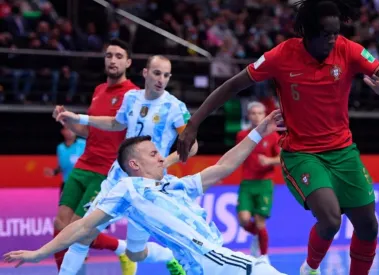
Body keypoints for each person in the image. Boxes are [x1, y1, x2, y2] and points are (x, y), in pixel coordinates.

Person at [176, 1, 379, 274]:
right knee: (331, 221)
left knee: (369, 227)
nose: (332, 39)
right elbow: (232, 85)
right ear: (306, 32)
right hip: (302, 154)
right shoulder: (281, 56)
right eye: (325, 34)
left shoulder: (348, 49)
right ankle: (309, 268)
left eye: (335, 32)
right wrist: (193, 125)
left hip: (343, 152)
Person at [4, 110, 287, 275]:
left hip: (210, 263)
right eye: (154, 153)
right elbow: (82, 226)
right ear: (135, 164)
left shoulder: (174, 184)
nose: (162, 157)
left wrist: (259, 131)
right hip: (212, 259)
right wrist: (39, 254)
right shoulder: (129, 188)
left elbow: (224, 166)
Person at [55, 55, 196, 275]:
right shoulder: (131, 98)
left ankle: (168, 255)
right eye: (157, 73)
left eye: (166, 75)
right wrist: (80, 118)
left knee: (135, 253)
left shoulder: (174, 107)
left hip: (147, 188)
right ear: (145, 73)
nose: (161, 79)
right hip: (117, 179)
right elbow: (115, 123)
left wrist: (164, 162)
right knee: (83, 235)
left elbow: (192, 146)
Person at [51, 38, 138, 275]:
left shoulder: (133, 95)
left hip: (106, 172)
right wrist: (68, 120)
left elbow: (118, 127)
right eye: (109, 55)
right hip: (83, 166)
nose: (113, 60)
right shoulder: (99, 90)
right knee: (60, 226)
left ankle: (121, 248)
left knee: (77, 229)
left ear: (128, 62)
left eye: (119, 56)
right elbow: (90, 132)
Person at [236, 102, 280, 262]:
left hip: (264, 183)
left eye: (260, 113)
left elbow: (282, 158)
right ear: (248, 116)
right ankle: (257, 237)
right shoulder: (242, 136)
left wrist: (268, 161)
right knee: (244, 219)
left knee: (260, 222)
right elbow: (236, 156)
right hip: (247, 183)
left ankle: (263, 256)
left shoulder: (273, 136)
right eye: (253, 113)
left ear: (264, 115)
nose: (256, 116)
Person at [44, 126, 86, 197]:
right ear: (62, 131)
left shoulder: (84, 144)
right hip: (66, 183)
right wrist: (54, 172)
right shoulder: (60, 147)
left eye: (72, 129)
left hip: (81, 182)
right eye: (67, 129)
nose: (70, 132)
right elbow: (61, 166)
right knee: (63, 206)